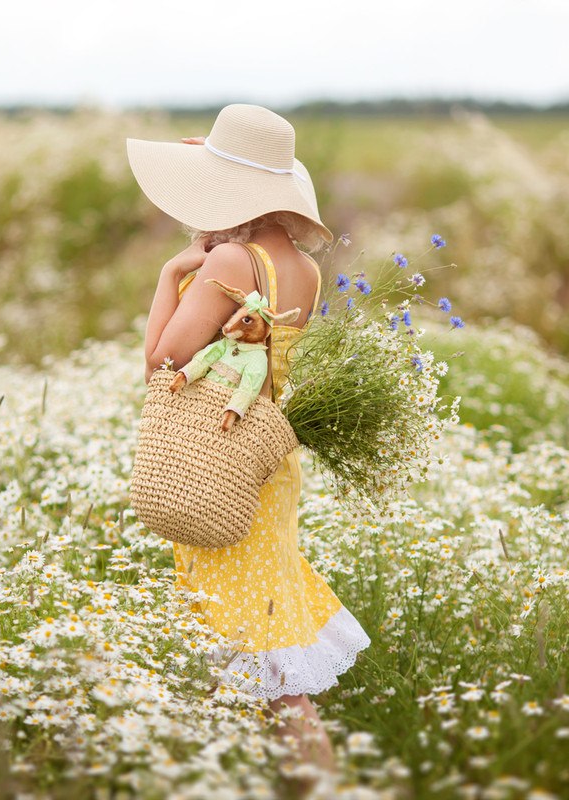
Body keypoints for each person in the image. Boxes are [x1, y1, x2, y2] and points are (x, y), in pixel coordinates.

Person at [127, 104, 372, 788]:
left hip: (216, 457)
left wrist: (170, 276)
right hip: (265, 460)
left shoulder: (232, 258)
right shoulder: (302, 269)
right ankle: (252, 779)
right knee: (259, 641)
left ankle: (301, 786)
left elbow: (162, 362)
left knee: (260, 659)